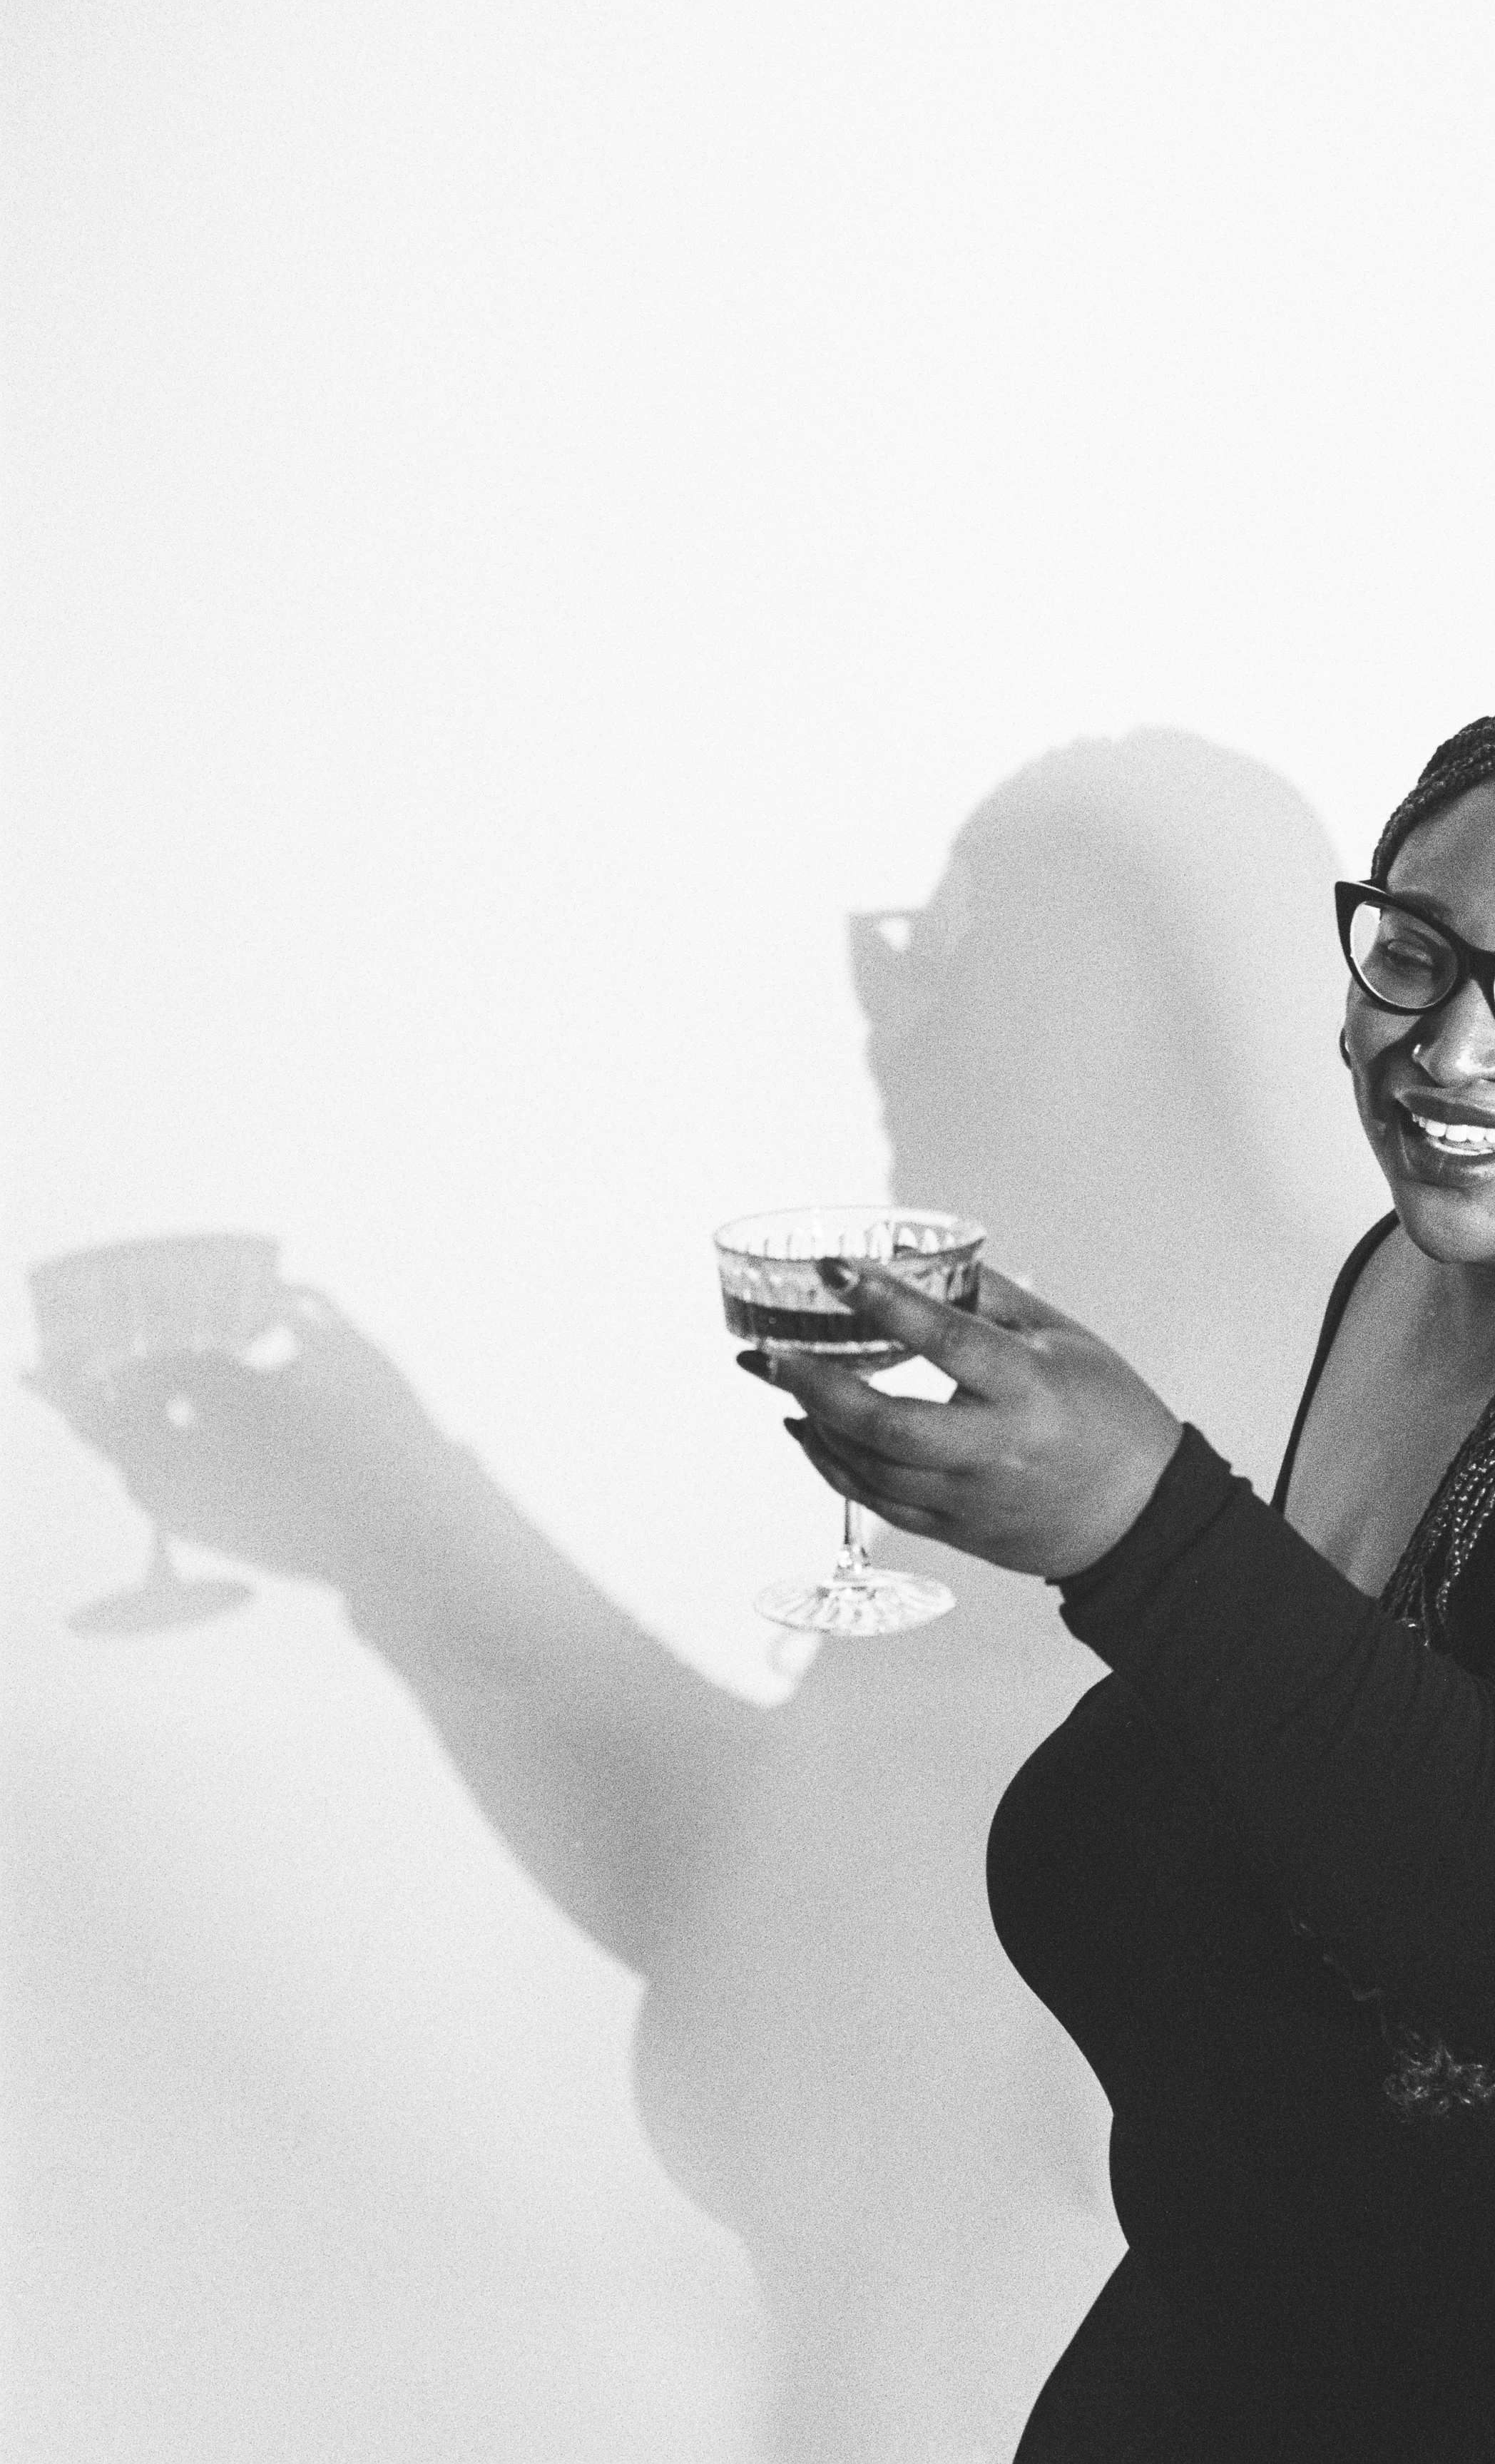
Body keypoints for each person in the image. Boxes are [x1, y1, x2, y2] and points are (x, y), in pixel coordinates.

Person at [31, 731, 1373, 2464]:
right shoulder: (983, 1505)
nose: (892, 1012)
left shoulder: (1342, 1538)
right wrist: (383, 1511)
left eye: (968, 950)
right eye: (897, 945)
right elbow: (782, 1941)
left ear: (1210, 1026)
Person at [747, 696, 1495, 2461]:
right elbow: (1345, 1768)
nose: (1449, 1047)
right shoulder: (1416, 1276)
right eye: (1414, 953)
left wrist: (1138, 1525)